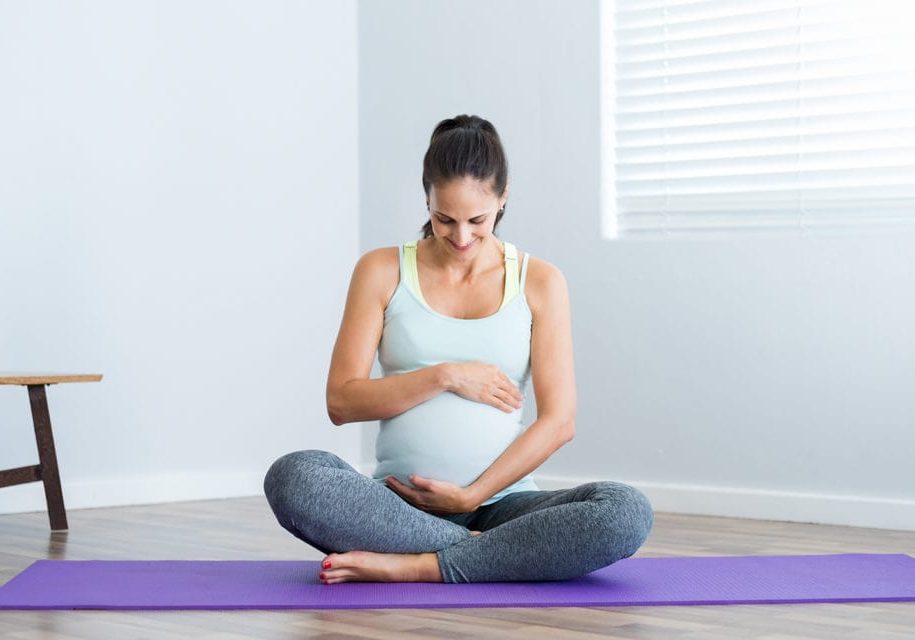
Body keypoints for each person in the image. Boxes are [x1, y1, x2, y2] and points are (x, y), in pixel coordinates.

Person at [264, 114, 653, 584]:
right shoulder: (382, 270)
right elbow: (341, 402)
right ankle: (491, 557)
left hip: (504, 505)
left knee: (625, 511)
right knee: (293, 476)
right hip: (397, 506)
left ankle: (419, 565)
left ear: (503, 199)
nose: (462, 237)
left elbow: (559, 422)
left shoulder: (541, 282)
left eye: (478, 220)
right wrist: (444, 375)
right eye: (443, 219)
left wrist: (471, 497)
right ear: (426, 198)